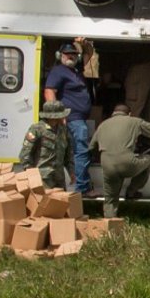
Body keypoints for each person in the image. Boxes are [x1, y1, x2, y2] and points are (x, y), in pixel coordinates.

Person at [92, 102, 150, 217]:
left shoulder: (102, 125)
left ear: (113, 114)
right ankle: (132, 191)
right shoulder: (134, 121)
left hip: (107, 164)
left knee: (110, 198)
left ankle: (109, 221)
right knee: (148, 159)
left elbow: (92, 146)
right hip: (127, 163)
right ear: (129, 114)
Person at [43, 42, 93, 195]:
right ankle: (82, 188)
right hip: (72, 119)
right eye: (67, 54)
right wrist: (58, 115)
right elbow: (49, 92)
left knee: (78, 151)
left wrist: (83, 44)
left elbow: (88, 54)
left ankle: (83, 185)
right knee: (81, 151)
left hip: (79, 119)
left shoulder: (76, 71)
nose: (70, 56)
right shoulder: (59, 71)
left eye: (73, 54)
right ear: (60, 56)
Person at [17, 100, 72, 190]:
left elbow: (68, 153)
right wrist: (31, 174)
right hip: (42, 178)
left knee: (61, 203)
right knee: (43, 203)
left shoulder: (63, 130)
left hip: (59, 178)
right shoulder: (37, 129)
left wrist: (71, 172)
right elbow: (25, 154)